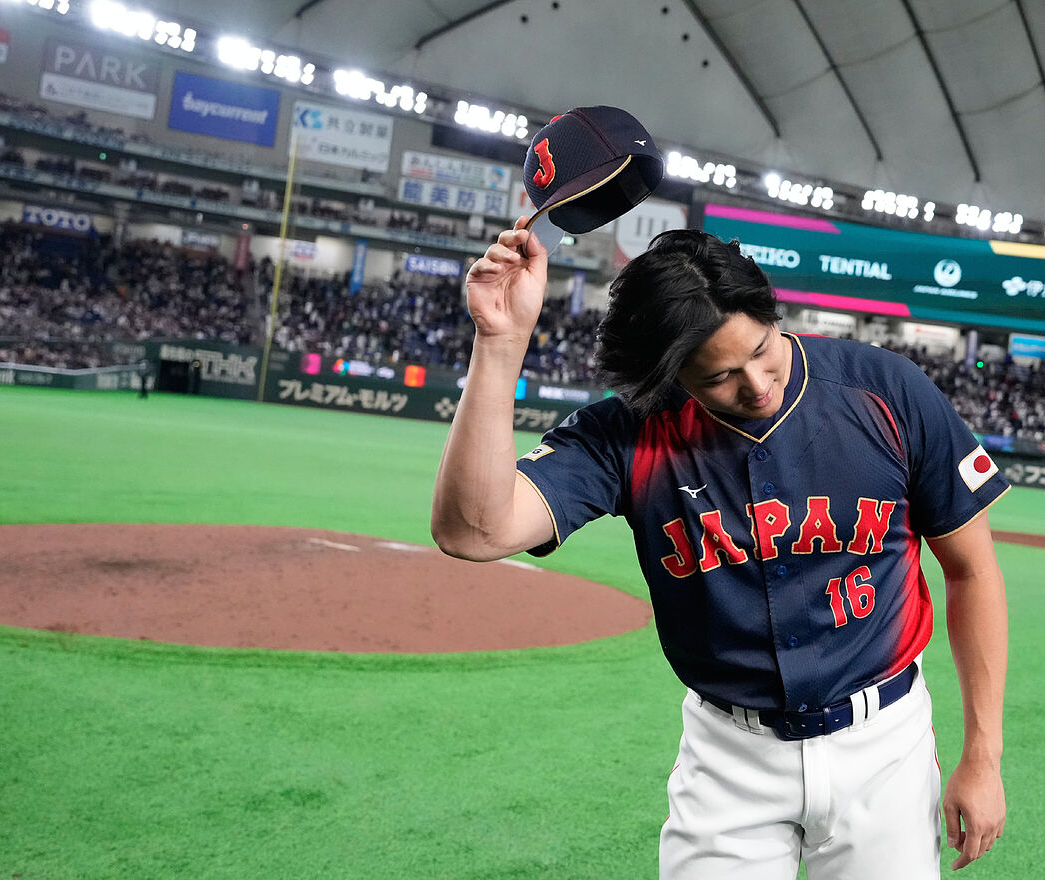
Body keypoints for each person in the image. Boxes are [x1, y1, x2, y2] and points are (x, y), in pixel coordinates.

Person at [431, 225, 1010, 878]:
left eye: (763, 350)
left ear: (772, 313)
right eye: (719, 376)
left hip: (884, 749)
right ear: (670, 376)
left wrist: (983, 759)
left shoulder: (887, 393)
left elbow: (972, 569)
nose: (758, 384)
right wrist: (500, 343)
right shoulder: (631, 431)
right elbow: (473, 531)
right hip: (730, 758)